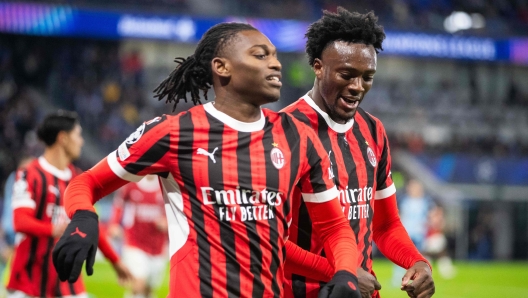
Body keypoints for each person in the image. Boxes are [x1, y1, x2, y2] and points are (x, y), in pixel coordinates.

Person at [51, 23, 363, 298]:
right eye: (260, 55)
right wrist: (83, 217)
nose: (276, 64)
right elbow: (86, 182)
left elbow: (335, 227)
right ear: (222, 67)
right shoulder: (172, 132)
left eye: (275, 55)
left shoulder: (298, 136)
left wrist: (345, 271)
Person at [281, 8, 435, 298]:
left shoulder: (373, 130)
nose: (357, 87)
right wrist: (342, 273)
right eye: (347, 74)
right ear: (317, 67)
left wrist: (417, 262)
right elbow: (268, 239)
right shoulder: (283, 131)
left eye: (367, 77)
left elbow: (386, 225)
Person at [7, 111, 133, 298]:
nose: (81, 141)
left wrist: (115, 261)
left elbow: (92, 225)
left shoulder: (79, 180)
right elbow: (20, 222)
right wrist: (54, 229)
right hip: (30, 283)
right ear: (63, 138)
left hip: (66, 283)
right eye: (78, 135)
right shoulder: (29, 175)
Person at [107, 175, 168, 298]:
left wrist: (167, 222)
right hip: (134, 243)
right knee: (139, 283)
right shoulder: (131, 183)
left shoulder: (166, 185)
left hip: (157, 246)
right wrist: (114, 224)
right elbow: (118, 204)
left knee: (148, 289)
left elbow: (177, 210)